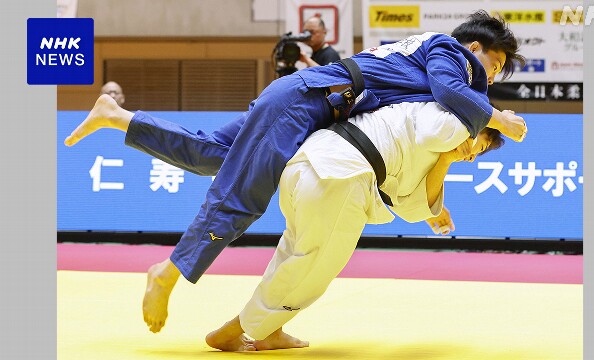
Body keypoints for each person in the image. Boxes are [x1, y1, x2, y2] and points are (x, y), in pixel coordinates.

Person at [64, 10, 527, 334]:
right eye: (496, 64)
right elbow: (450, 90)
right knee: (241, 194)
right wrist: (498, 117)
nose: (489, 76)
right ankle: (169, 270)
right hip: (309, 101)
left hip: (305, 98)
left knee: (214, 155)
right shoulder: (452, 54)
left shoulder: (426, 51)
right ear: (475, 47)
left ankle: (118, 116)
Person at [203, 101, 505, 351]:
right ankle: (235, 329)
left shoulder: (415, 114)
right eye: (477, 144)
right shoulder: (444, 120)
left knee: (294, 253)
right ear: (475, 123)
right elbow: (425, 178)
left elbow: (412, 209)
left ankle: (271, 330)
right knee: (314, 266)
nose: (471, 154)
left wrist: (447, 162)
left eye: (476, 156)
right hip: (340, 178)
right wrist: (503, 122)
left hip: (306, 164)